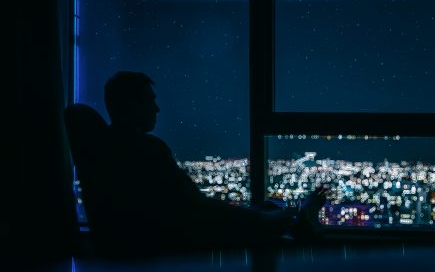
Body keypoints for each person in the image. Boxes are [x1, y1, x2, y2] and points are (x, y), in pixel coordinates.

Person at [83, 70, 326, 256]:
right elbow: (197, 205)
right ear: (132, 105)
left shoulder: (103, 148)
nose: (157, 108)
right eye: (149, 100)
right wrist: (250, 218)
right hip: (182, 235)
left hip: (164, 233)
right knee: (278, 216)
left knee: (267, 208)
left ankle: (291, 218)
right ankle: (301, 215)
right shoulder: (148, 148)